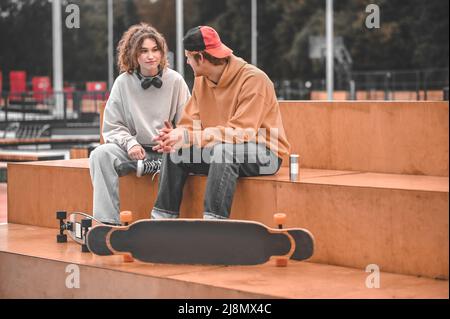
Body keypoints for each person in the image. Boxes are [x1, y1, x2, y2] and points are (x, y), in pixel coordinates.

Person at [151, 26, 290, 220]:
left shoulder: (254, 80)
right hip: (220, 151)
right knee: (176, 151)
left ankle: (214, 224)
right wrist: (176, 136)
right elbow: (191, 123)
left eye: (188, 57)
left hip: (266, 153)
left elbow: (242, 132)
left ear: (200, 57)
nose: (187, 62)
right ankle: (161, 220)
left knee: (224, 151)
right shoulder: (202, 80)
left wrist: (190, 136)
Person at [89, 23, 190, 225]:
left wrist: (174, 137)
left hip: (168, 154)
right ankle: (107, 222)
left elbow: (190, 123)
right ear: (134, 55)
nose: (150, 56)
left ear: (162, 53)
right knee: (100, 154)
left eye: (155, 50)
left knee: (184, 154)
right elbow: (112, 126)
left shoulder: (176, 80)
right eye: (143, 51)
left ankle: (166, 223)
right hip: (135, 152)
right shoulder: (122, 82)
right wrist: (130, 143)